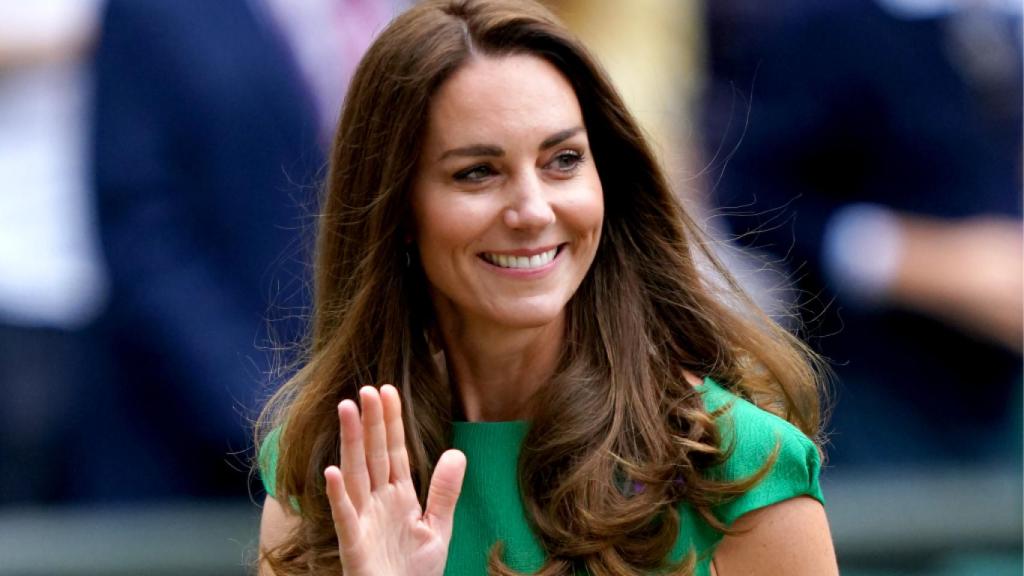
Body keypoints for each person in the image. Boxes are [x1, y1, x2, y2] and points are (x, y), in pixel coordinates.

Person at [255, 1, 838, 574]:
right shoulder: (325, 467)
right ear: (399, 207)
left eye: (562, 160)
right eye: (477, 172)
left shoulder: (736, 467)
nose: (532, 210)